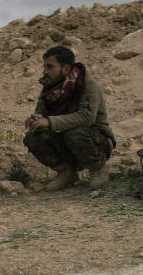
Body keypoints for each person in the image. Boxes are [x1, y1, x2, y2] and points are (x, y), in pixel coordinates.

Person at [23, 46, 115, 190]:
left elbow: (87, 117)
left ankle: (97, 169)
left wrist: (50, 121)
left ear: (65, 69)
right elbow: (41, 113)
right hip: (68, 139)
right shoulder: (49, 88)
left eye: (49, 66)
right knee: (33, 137)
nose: (44, 71)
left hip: (96, 140)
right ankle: (66, 172)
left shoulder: (85, 84)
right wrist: (35, 119)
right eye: (44, 66)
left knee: (76, 133)